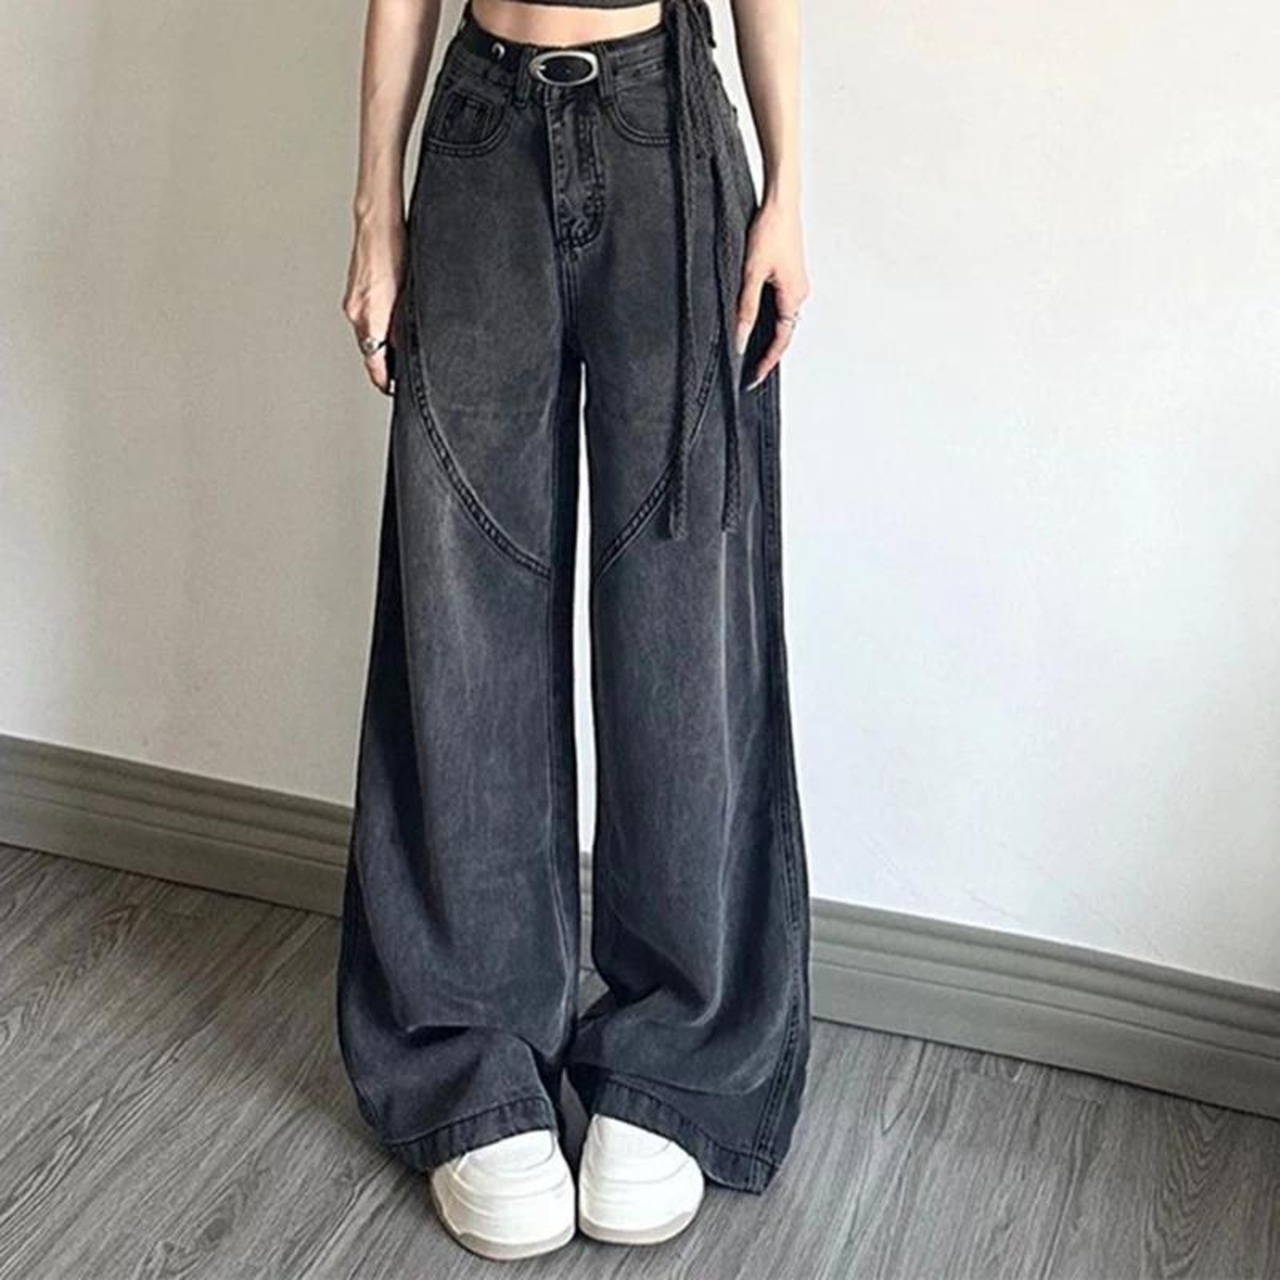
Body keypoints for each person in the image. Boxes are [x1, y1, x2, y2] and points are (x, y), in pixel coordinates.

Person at [336, 0, 811, 1260]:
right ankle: (473, 1052)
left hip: (668, 137)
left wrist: (786, 189)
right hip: (480, 135)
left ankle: (676, 1050)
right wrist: (374, 205)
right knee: (460, 603)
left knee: (685, 616)